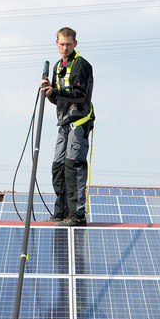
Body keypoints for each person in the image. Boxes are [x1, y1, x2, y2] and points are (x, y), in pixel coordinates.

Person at [40, 27, 94, 227]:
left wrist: (56, 90)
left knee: (74, 165)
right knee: (58, 166)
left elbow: (80, 94)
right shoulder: (57, 66)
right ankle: (61, 212)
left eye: (68, 44)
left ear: (75, 44)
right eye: (61, 44)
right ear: (56, 43)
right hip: (63, 123)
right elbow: (58, 98)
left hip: (78, 122)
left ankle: (76, 215)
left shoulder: (81, 65)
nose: (64, 48)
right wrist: (49, 92)